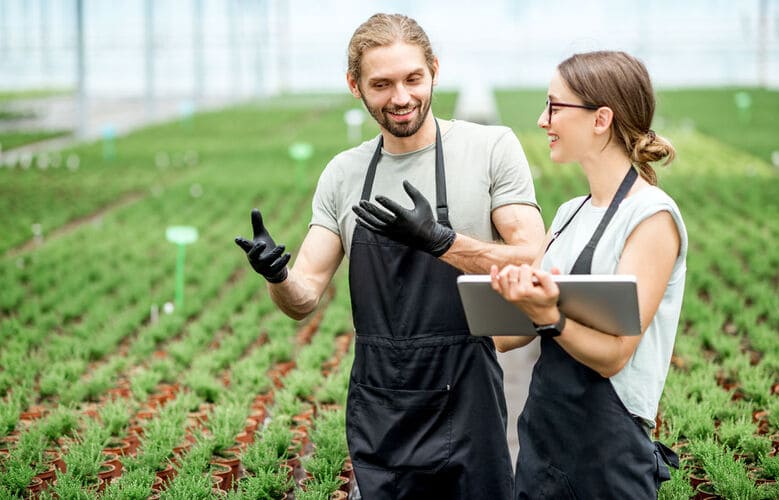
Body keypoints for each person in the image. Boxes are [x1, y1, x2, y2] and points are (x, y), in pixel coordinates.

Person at [234, 13, 546, 499]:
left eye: (412, 79)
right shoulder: (344, 173)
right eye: (381, 84)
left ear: (434, 71)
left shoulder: (489, 148)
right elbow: (303, 297)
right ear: (354, 86)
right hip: (382, 400)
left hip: (468, 397)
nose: (400, 98)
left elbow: (531, 258)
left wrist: (443, 241)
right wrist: (277, 276)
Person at [491, 51, 687, 499]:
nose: (543, 120)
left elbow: (616, 354)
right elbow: (519, 330)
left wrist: (551, 317)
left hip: (609, 451)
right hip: (543, 437)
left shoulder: (651, 216)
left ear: (601, 119)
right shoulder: (568, 213)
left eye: (555, 106)